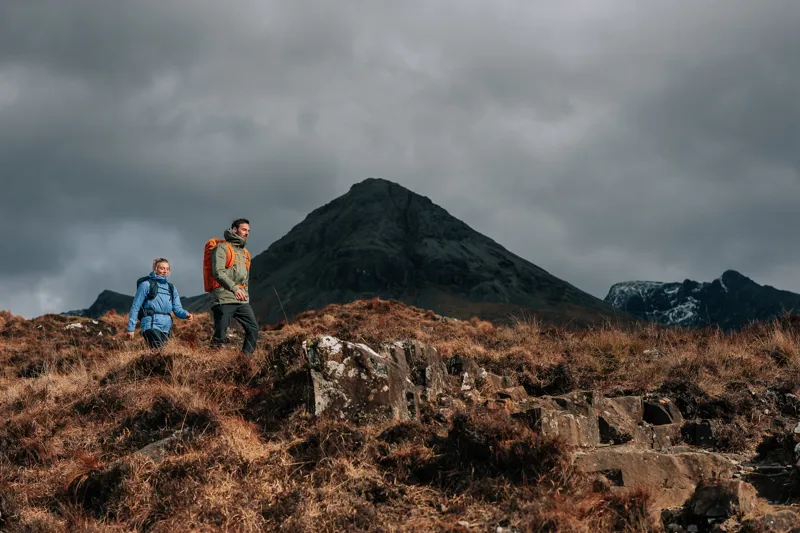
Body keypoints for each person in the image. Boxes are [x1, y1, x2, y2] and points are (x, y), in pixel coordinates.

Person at [209, 218, 259, 356]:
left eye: (248, 231)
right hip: (224, 296)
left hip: (241, 298)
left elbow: (245, 278)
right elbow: (218, 273)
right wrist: (234, 289)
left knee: (253, 328)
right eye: (244, 229)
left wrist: (244, 294)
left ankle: (243, 360)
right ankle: (213, 357)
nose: (247, 233)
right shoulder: (221, 248)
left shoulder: (245, 253)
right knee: (221, 332)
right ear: (235, 229)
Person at [126, 258, 194, 350]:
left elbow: (177, 308)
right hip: (150, 323)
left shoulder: (171, 288)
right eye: (162, 268)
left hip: (166, 326)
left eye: (167, 268)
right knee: (159, 350)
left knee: (162, 355)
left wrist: (186, 314)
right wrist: (131, 328)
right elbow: (136, 306)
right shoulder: (146, 285)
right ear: (155, 269)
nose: (165, 271)